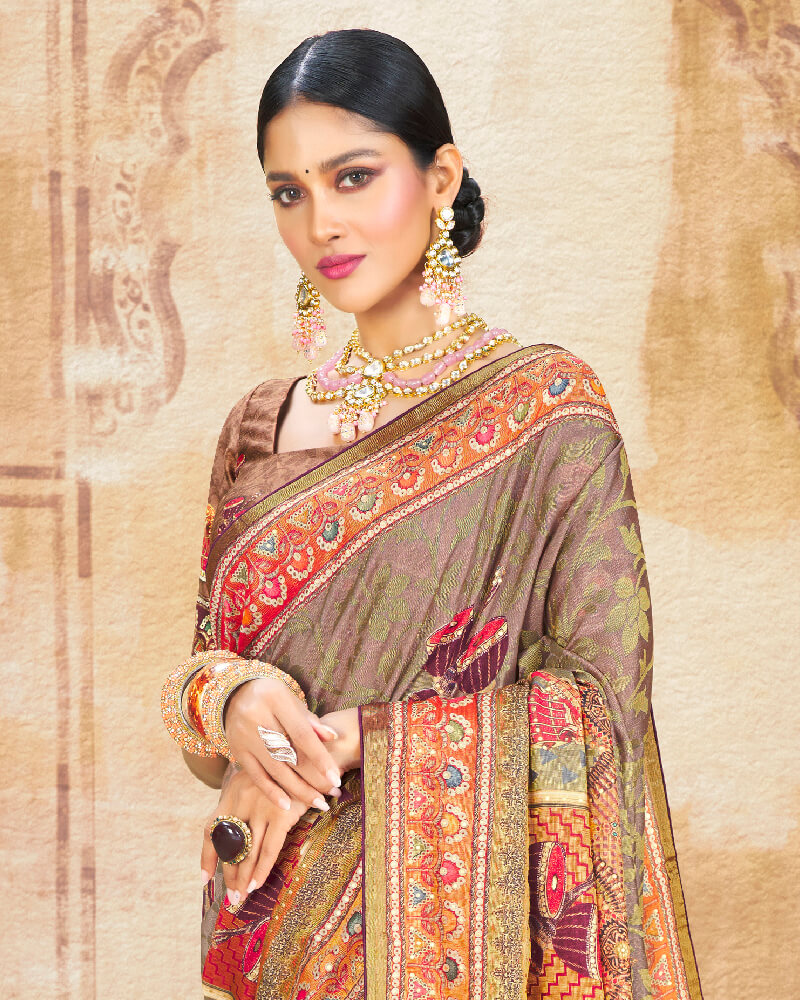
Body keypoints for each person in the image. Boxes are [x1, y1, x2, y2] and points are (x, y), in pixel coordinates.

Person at [160, 27, 703, 1000]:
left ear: (440, 178)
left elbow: (600, 709)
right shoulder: (258, 428)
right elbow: (206, 709)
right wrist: (230, 702)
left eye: (353, 177)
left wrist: (357, 738)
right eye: (289, 192)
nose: (321, 222)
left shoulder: (549, 416)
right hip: (274, 941)